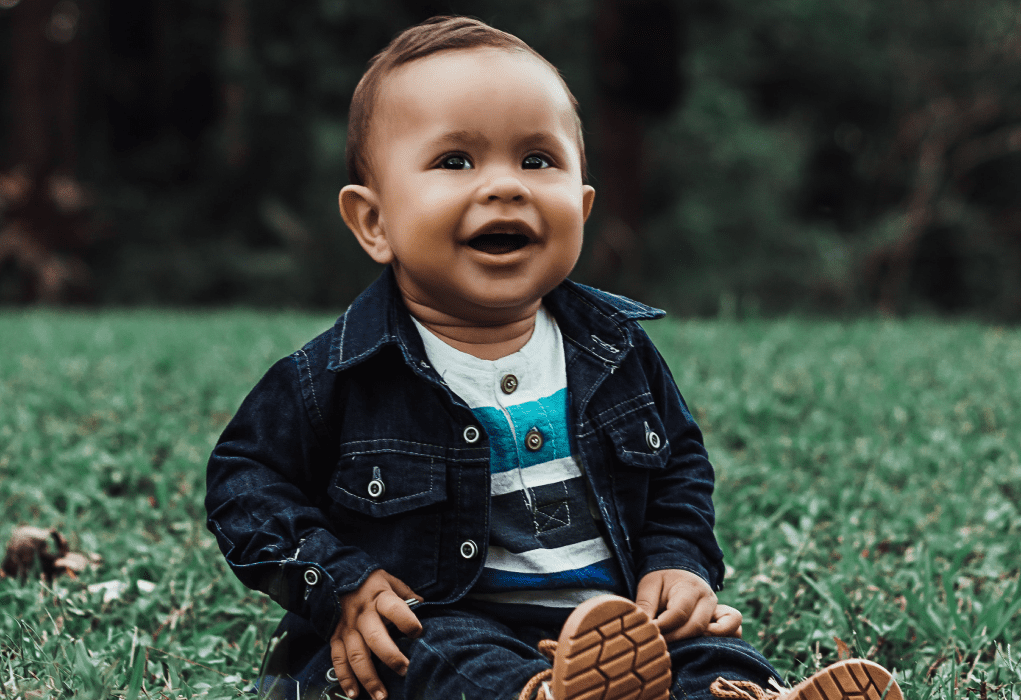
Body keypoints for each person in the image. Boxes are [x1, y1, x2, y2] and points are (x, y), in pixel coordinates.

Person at [205, 16, 904, 700]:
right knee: (434, 656)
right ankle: (541, 693)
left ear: (583, 203)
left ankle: (741, 694)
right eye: (456, 161)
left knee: (709, 645)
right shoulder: (337, 376)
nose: (506, 185)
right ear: (374, 221)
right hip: (446, 619)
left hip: (620, 628)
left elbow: (680, 470)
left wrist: (678, 564)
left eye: (538, 160)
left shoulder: (615, 348)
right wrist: (343, 583)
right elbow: (246, 483)